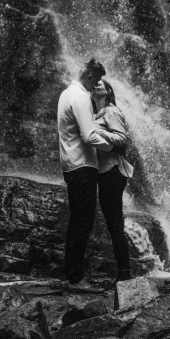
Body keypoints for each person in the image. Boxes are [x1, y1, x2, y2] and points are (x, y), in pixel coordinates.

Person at [57, 58, 125, 292]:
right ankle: (76, 279)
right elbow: (89, 137)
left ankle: (71, 276)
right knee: (83, 224)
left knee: (76, 222)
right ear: (89, 76)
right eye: (96, 79)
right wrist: (111, 147)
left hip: (70, 165)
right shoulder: (81, 97)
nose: (97, 84)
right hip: (83, 166)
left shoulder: (66, 94)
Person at [92, 79, 133, 282]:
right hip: (103, 172)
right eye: (93, 83)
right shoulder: (94, 113)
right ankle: (122, 272)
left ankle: (124, 275)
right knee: (112, 223)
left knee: (115, 224)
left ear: (108, 90)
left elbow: (122, 138)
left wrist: (96, 131)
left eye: (100, 83)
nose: (95, 84)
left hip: (113, 171)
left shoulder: (111, 111)